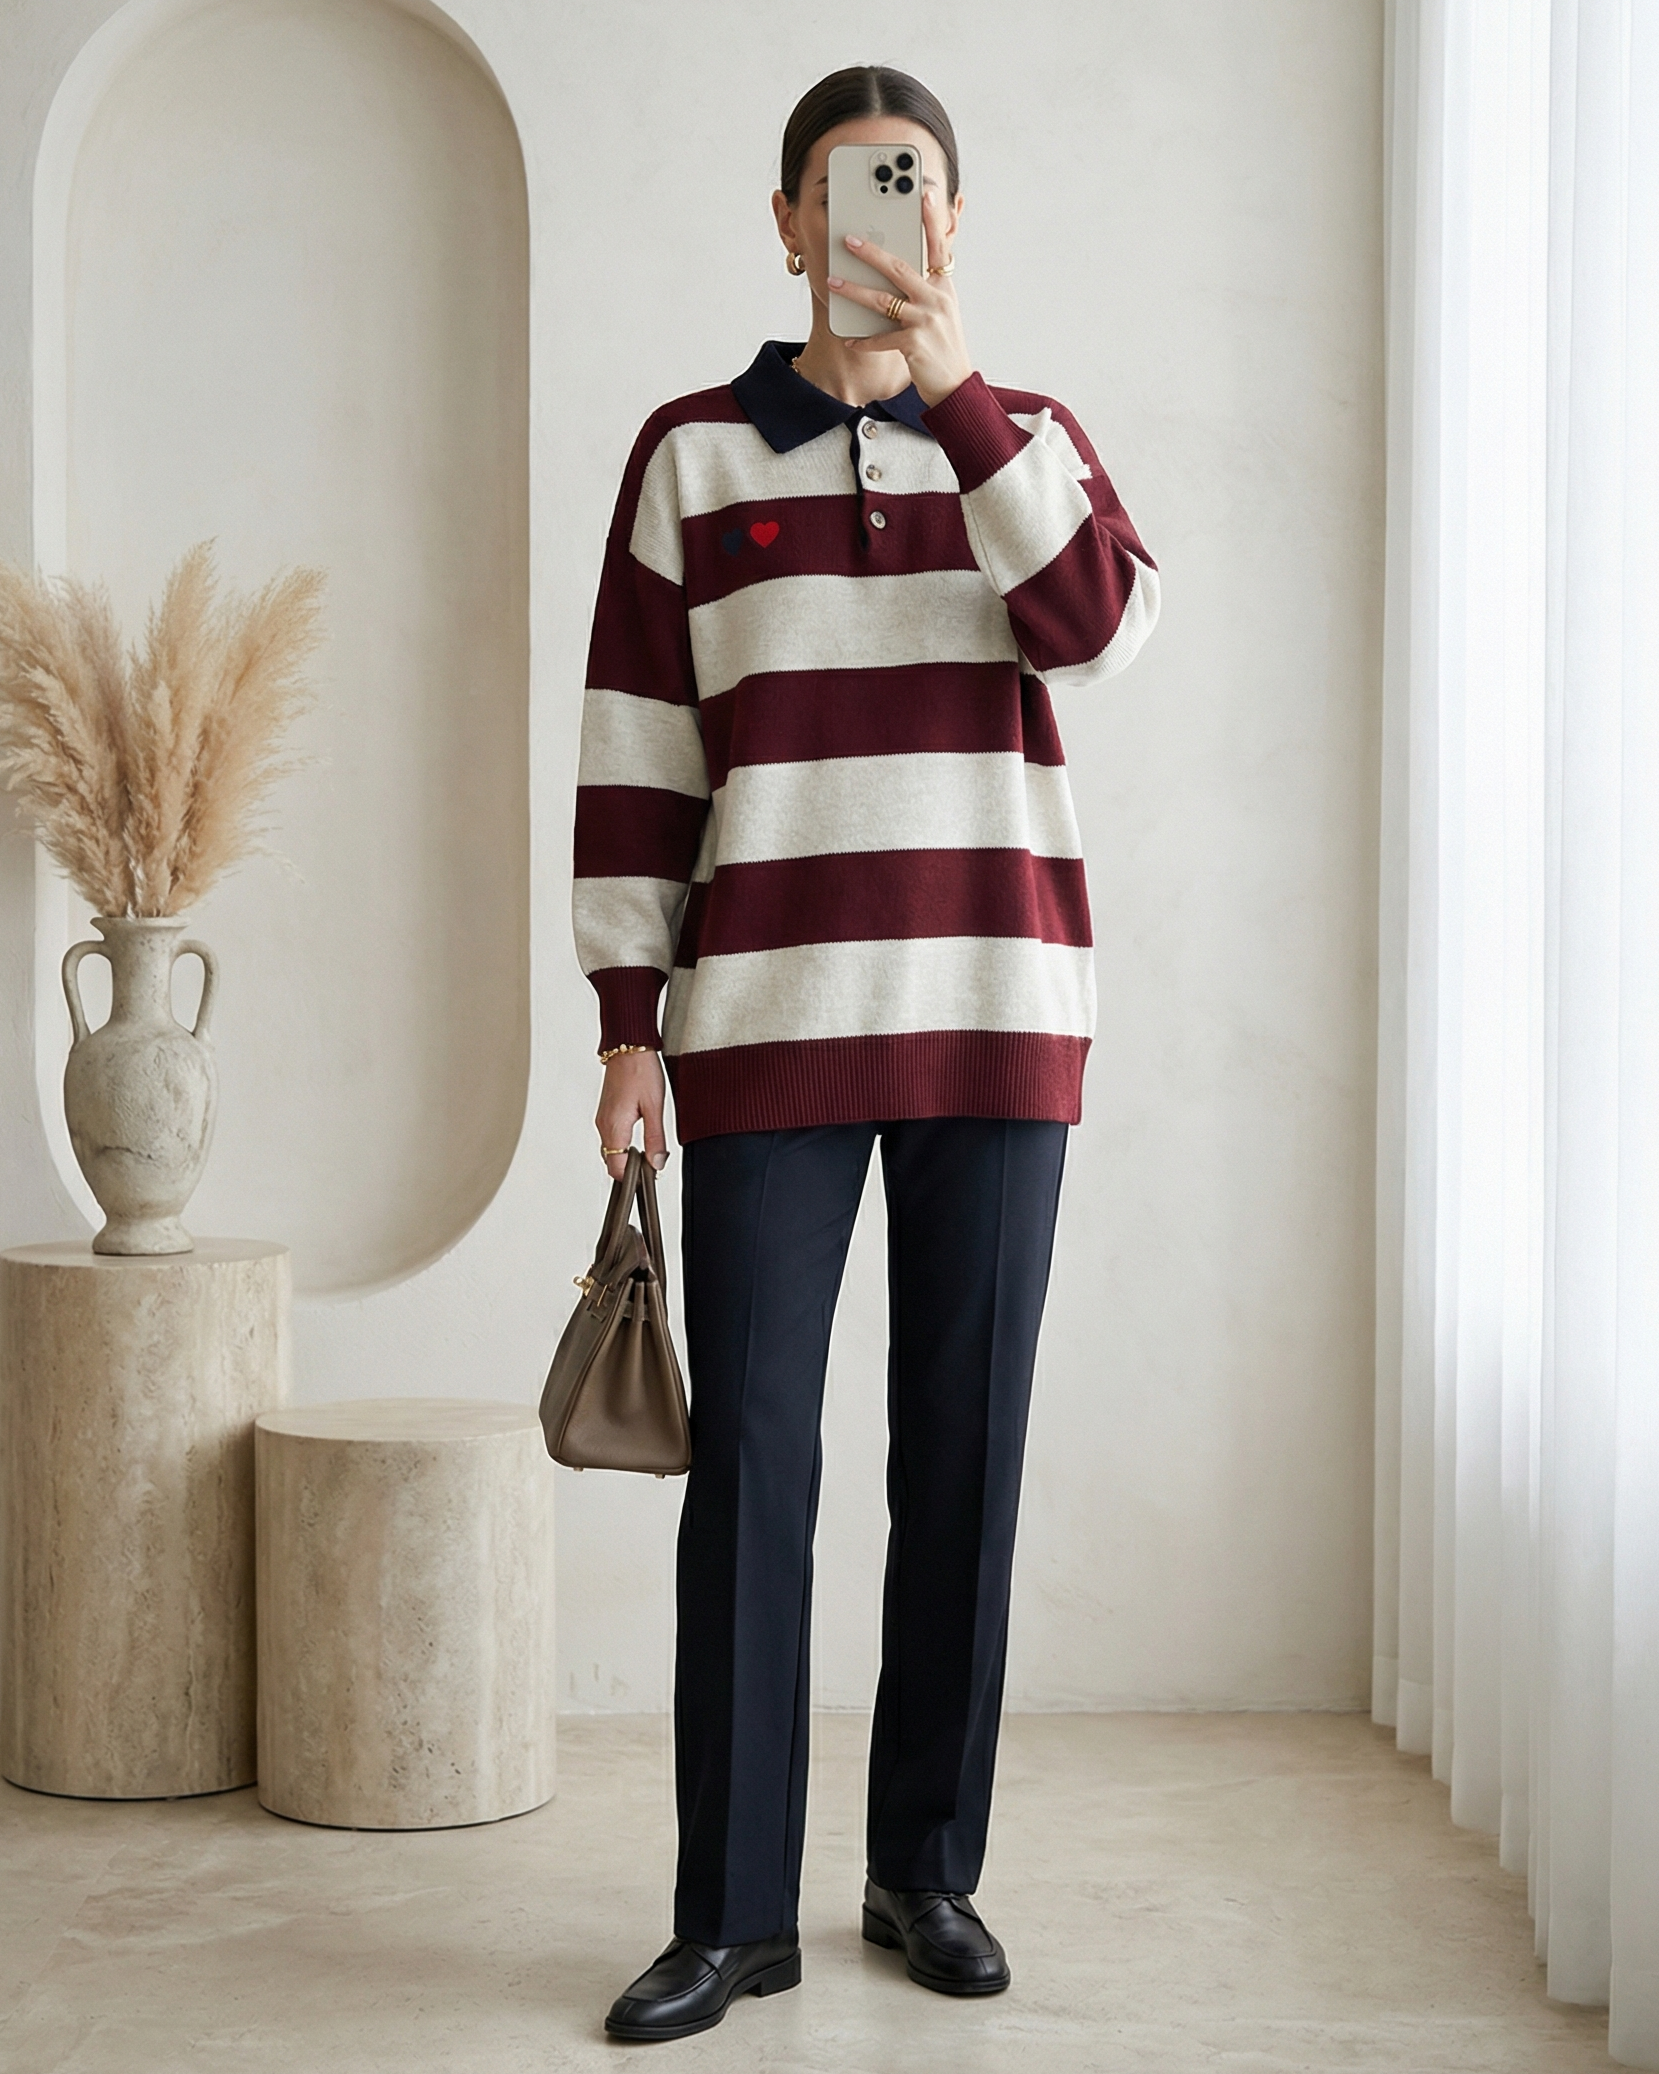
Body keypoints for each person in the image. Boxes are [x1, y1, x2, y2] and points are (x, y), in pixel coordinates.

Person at [573, 62, 1159, 2044]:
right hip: (766, 1022)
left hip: (996, 1014)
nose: (875, 224)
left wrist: (959, 391)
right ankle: (733, 1912)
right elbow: (637, 756)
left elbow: (1092, 627)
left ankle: (927, 1869)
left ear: (950, 223)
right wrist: (626, 1021)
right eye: (841, 192)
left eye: (906, 191)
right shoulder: (687, 458)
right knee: (750, 1461)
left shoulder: (1030, 439)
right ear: (784, 223)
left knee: (963, 1453)